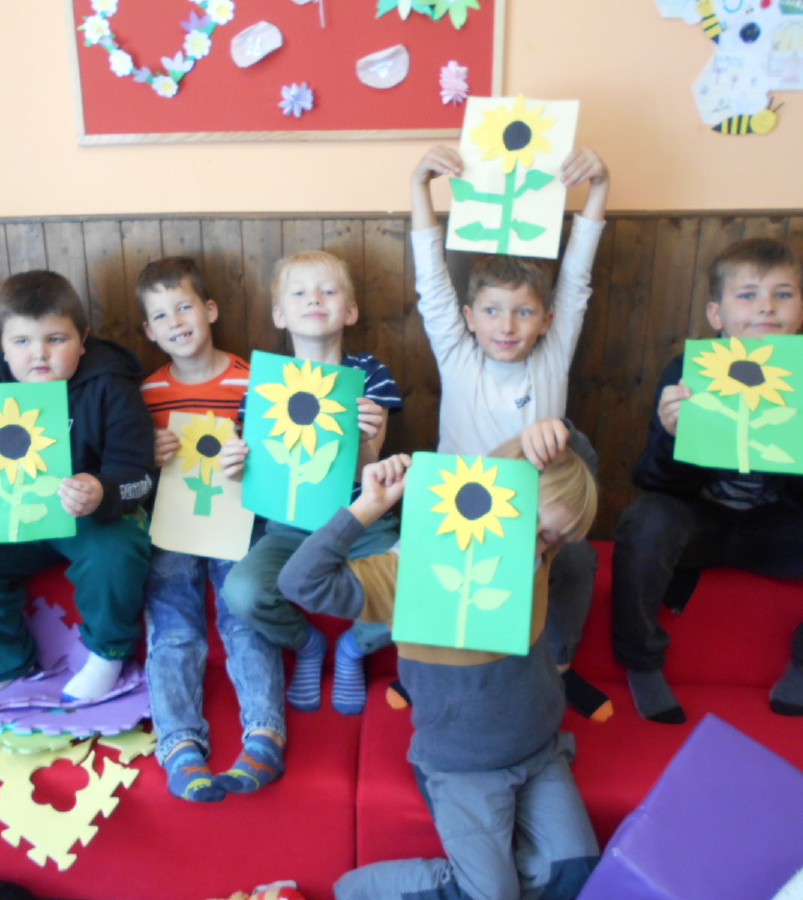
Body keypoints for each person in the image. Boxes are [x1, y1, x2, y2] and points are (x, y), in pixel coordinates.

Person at [277, 420, 601, 900]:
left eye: (548, 538)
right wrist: (367, 507)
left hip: (539, 749)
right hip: (463, 765)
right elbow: (299, 582)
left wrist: (561, 432)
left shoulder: (541, 558)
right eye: (527, 529)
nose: (532, 548)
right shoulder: (410, 570)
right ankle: (361, 891)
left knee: (575, 874)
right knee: (491, 895)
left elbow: (577, 475)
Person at [612, 237, 803, 723]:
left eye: (782, 295)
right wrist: (669, 438)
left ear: (801, 312)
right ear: (717, 314)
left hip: (779, 529)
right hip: (699, 525)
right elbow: (652, 482)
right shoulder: (687, 371)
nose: (766, 306)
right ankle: (640, 660)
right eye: (747, 295)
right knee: (644, 521)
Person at [408, 144, 614, 720]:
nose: (507, 325)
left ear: (545, 322)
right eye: (493, 311)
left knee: (578, 561)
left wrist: (599, 188)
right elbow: (431, 284)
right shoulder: (458, 356)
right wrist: (420, 190)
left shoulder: (550, 357)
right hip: (460, 513)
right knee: (411, 561)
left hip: (533, 519)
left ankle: (559, 669)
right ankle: (424, 667)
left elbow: (576, 280)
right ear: (470, 318)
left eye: (523, 312)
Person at [0, 270, 156, 708]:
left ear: (83, 339)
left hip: (89, 517)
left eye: (57, 339)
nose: (39, 354)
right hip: (12, 515)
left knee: (117, 549)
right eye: (21, 342)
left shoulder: (112, 385)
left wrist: (102, 490)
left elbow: (140, 478)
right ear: (1, 342)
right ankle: (5, 661)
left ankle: (108, 653)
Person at [220, 250, 402, 716]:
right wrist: (235, 466)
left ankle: (354, 648)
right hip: (288, 527)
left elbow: (365, 470)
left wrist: (365, 436)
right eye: (299, 293)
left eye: (328, 290)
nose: (314, 299)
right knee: (241, 591)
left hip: (363, 522)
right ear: (280, 315)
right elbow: (254, 478)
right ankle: (307, 643)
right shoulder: (265, 384)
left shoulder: (369, 375)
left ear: (350, 311)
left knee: (415, 586)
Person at [136, 256, 285, 801]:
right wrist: (148, 453)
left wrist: (252, 458)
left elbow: (279, 460)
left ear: (211, 310)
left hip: (240, 519)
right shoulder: (147, 393)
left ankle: (265, 735)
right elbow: (133, 471)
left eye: (185, 307)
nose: (176, 322)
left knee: (244, 619)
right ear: (149, 331)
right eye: (161, 315)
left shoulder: (255, 382)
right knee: (172, 626)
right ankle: (179, 744)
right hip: (173, 521)